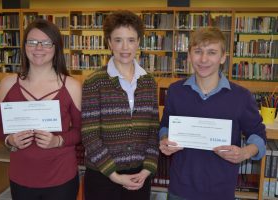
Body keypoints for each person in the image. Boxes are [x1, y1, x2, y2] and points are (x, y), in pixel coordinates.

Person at [159, 27, 266, 200]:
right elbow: (165, 125)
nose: (203, 59)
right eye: (198, 51)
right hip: (180, 188)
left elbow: (258, 134)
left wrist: (245, 153)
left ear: (223, 57)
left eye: (212, 52)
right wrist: (164, 139)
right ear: (189, 55)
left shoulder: (241, 96)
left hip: (220, 190)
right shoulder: (175, 91)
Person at [0, 18, 82, 200]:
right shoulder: (7, 84)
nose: (38, 48)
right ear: (24, 46)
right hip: (21, 177)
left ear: (56, 47)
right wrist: (10, 140)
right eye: (32, 42)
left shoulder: (72, 86)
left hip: (61, 177)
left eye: (46, 43)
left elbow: (81, 131)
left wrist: (57, 141)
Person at [81, 10, 159, 200]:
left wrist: (148, 169)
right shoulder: (95, 82)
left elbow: (153, 130)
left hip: (138, 177)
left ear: (139, 42)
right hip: (103, 176)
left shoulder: (149, 82)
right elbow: (90, 134)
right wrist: (115, 176)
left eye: (131, 40)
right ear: (109, 42)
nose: (125, 47)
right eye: (118, 40)